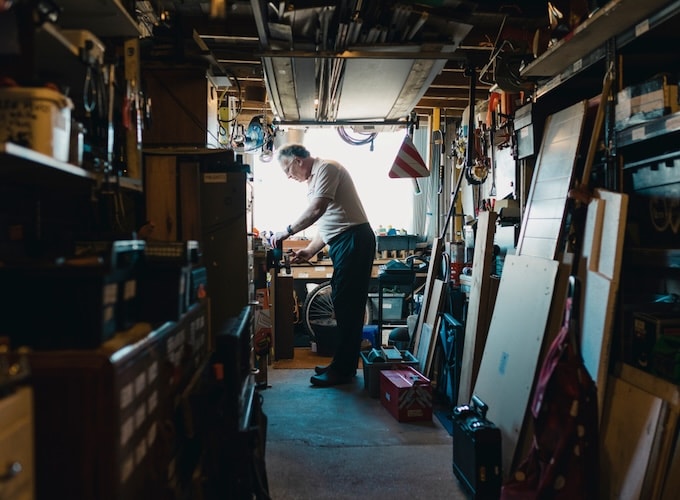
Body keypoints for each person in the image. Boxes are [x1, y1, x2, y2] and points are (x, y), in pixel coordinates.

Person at [271, 143, 376, 387]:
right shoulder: (314, 180)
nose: (288, 176)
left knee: (347, 306)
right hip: (344, 241)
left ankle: (342, 370)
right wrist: (309, 250)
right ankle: (343, 367)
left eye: (287, 169)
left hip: (353, 240)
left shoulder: (327, 168)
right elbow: (326, 223)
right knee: (343, 304)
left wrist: (286, 232)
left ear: (298, 160)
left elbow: (317, 210)